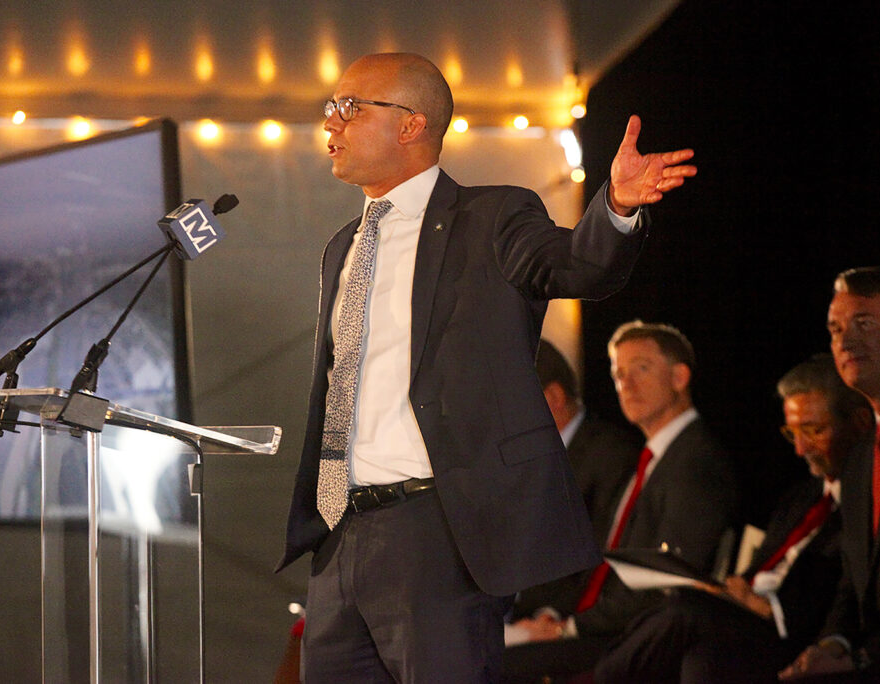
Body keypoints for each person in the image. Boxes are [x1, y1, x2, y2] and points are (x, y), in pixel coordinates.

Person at [274, 52, 697, 682]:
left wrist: (617, 208)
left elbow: (578, 265)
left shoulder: (492, 217)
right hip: (339, 534)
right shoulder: (344, 245)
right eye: (330, 108)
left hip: (436, 533)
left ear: (411, 124)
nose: (330, 123)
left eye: (349, 107)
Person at [591, 354, 871, 683]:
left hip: (791, 638)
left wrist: (769, 609)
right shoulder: (802, 497)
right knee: (693, 627)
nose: (800, 448)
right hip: (743, 619)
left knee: (688, 614)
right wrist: (732, 590)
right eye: (792, 433)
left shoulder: (868, 501)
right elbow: (761, 569)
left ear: (860, 423)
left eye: (814, 430)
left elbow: (845, 597)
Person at [503, 321, 738, 680]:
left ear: (679, 377)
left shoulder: (695, 460)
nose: (626, 384)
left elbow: (666, 576)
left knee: (492, 668)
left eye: (641, 369)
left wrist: (572, 627)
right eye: (618, 374)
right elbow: (601, 562)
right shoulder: (655, 459)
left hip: (630, 639)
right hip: (603, 628)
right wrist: (556, 614)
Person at [780, 267, 880, 681]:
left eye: (863, 323)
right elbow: (854, 578)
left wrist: (863, 658)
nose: (844, 342)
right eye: (835, 329)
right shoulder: (863, 453)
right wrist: (834, 643)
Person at [507, 340, 641, 640]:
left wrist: (550, 614)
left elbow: (601, 556)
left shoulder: (610, 455)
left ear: (553, 397)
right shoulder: (530, 458)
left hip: (569, 625)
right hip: (515, 614)